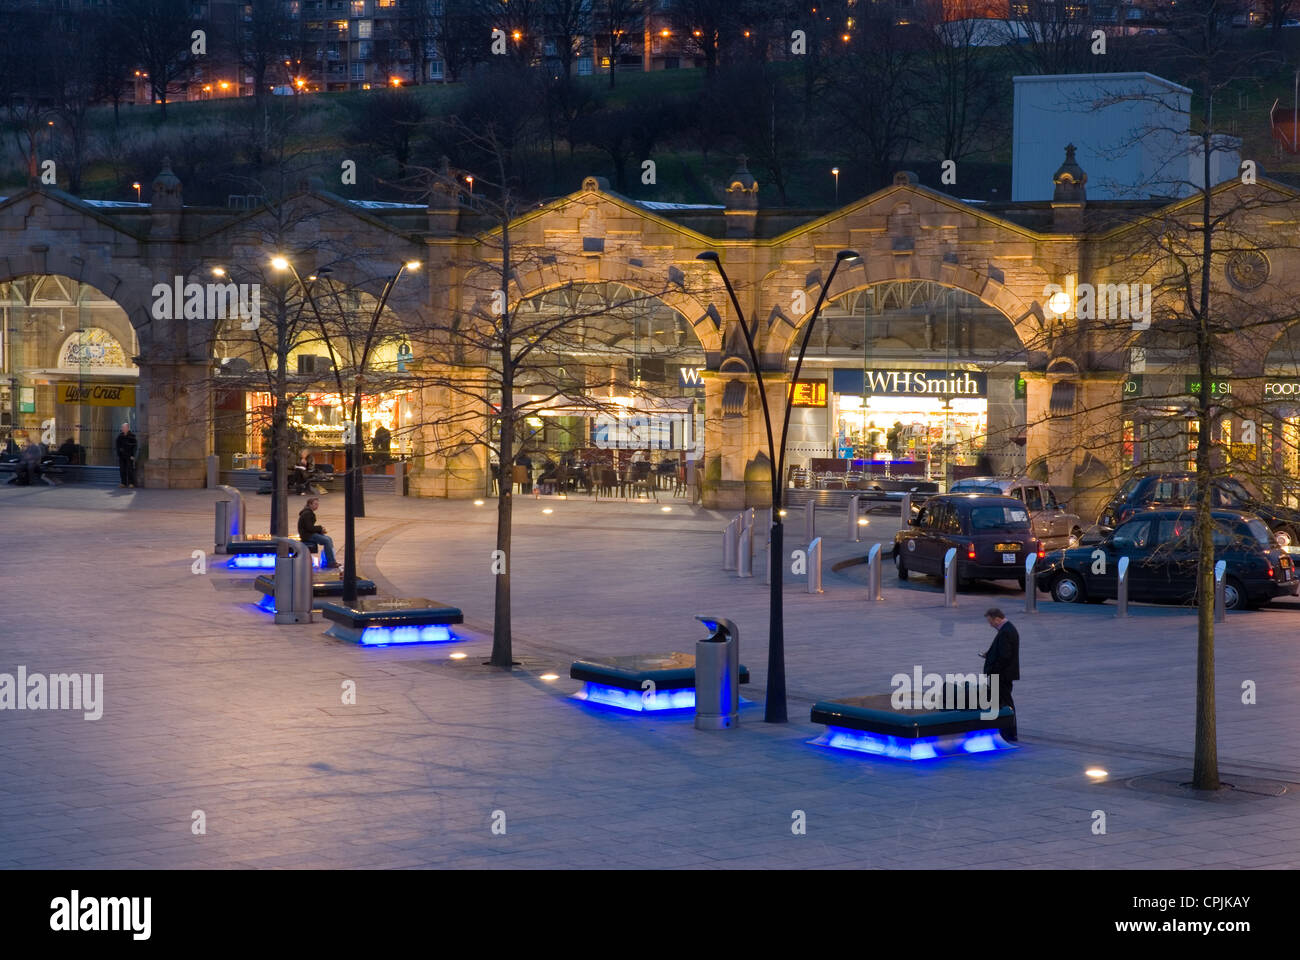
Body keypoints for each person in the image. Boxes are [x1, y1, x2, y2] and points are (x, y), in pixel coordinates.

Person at [981, 608, 1020, 741]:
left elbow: (1005, 656)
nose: (990, 624)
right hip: (1004, 674)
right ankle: (1006, 730)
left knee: (1005, 702)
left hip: (1001, 675)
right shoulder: (1007, 629)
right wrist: (990, 654)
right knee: (1003, 701)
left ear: (997, 618)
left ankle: (1009, 731)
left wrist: (993, 670)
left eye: (990, 621)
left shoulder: (1005, 632)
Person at [298, 497, 338, 569]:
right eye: (315, 504)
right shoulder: (307, 513)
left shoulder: (308, 512)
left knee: (329, 538)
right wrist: (320, 529)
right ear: (310, 504)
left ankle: (328, 560)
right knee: (326, 541)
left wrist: (320, 530)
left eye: (317, 504)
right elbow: (309, 528)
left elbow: (309, 527)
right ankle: (331, 562)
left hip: (308, 533)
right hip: (307, 535)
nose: (317, 506)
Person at [116, 422, 138, 488]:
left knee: (130, 469)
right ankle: (123, 483)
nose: (123, 429)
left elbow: (135, 447)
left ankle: (131, 483)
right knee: (122, 470)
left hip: (129, 456)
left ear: (128, 428)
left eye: (124, 427)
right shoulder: (119, 437)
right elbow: (117, 446)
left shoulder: (132, 436)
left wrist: (133, 455)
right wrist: (119, 453)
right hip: (122, 456)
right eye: (122, 427)